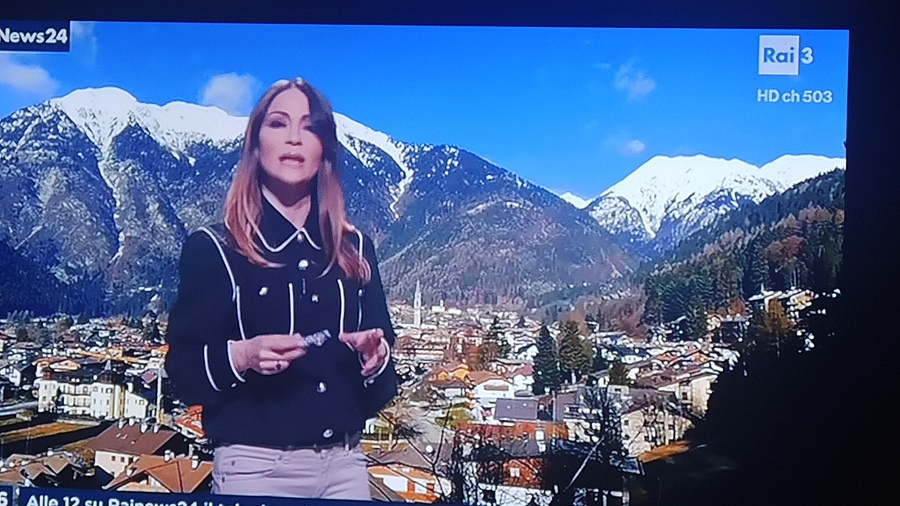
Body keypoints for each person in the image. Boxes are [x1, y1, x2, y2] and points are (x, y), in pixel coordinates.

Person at [164, 77, 398, 500]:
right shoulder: (215, 248)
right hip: (256, 468)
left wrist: (375, 358)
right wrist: (242, 356)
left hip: (346, 466)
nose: (294, 137)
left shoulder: (357, 248)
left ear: (325, 148)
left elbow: (383, 385)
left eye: (310, 126)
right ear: (255, 145)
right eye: (278, 123)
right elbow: (182, 373)